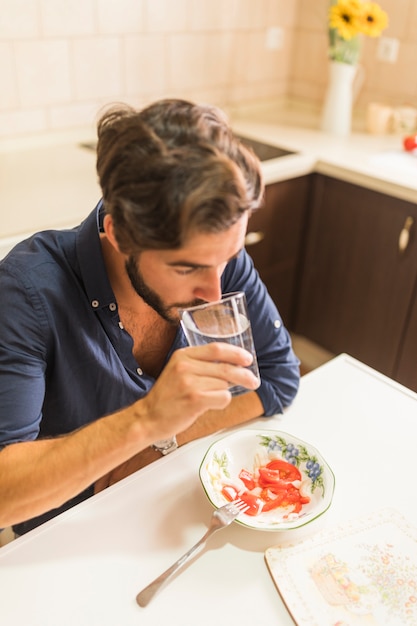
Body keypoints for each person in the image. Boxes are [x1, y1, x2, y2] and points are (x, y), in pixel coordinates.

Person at [0, 99, 300, 536]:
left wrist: (160, 444)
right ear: (119, 234)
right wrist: (145, 420)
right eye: (186, 268)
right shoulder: (27, 293)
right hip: (70, 540)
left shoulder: (213, 257)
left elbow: (276, 377)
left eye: (227, 258)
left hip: (180, 513)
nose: (213, 291)